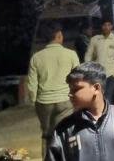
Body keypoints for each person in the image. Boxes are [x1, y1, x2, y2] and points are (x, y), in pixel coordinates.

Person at [45, 62, 114, 161]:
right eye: (70, 89)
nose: (70, 94)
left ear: (96, 88)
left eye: (76, 89)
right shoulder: (65, 128)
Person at [27, 22, 80, 158]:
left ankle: (48, 158)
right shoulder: (71, 54)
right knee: (66, 132)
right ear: (59, 36)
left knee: (47, 135)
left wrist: (34, 101)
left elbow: (32, 85)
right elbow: (78, 79)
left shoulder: (36, 57)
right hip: (65, 100)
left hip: (44, 102)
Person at [85, 19, 114, 104]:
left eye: (109, 25)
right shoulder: (95, 39)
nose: (106, 27)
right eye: (104, 25)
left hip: (112, 73)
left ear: (112, 26)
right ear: (101, 27)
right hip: (99, 73)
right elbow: (88, 55)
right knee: (99, 95)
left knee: (108, 96)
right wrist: (89, 70)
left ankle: (106, 112)